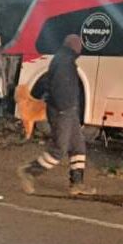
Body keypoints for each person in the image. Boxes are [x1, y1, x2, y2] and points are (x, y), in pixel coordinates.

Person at [17, 34, 96, 196]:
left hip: (68, 111)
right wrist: (63, 107)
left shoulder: (64, 60)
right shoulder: (64, 62)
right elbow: (59, 88)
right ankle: (29, 171)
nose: (81, 48)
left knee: (78, 147)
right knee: (59, 150)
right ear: (72, 45)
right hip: (62, 111)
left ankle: (77, 184)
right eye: (78, 44)